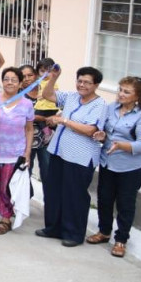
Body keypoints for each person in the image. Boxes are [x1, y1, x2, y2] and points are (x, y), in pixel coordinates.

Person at [38, 66, 107, 247]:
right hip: (59, 152)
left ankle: (73, 233)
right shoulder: (71, 97)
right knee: (54, 192)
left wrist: (63, 120)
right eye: (80, 81)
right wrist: (53, 78)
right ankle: (53, 227)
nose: (82, 85)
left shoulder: (100, 105)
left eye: (87, 82)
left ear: (96, 85)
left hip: (80, 157)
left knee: (74, 195)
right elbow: (48, 95)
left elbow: (91, 129)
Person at [90, 76, 141, 258]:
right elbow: (103, 130)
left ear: (138, 96)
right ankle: (104, 232)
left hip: (131, 167)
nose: (120, 94)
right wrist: (101, 135)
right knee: (104, 198)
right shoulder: (111, 108)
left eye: (126, 92)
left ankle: (121, 240)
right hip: (108, 162)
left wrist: (121, 145)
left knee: (125, 203)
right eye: (120, 90)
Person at [0, 68, 34, 235]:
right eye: (6, 79)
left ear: (20, 83)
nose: (10, 82)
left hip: (14, 154)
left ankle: (5, 219)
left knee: (7, 188)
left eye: (14, 79)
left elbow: (29, 129)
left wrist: (27, 152)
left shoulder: (26, 104)